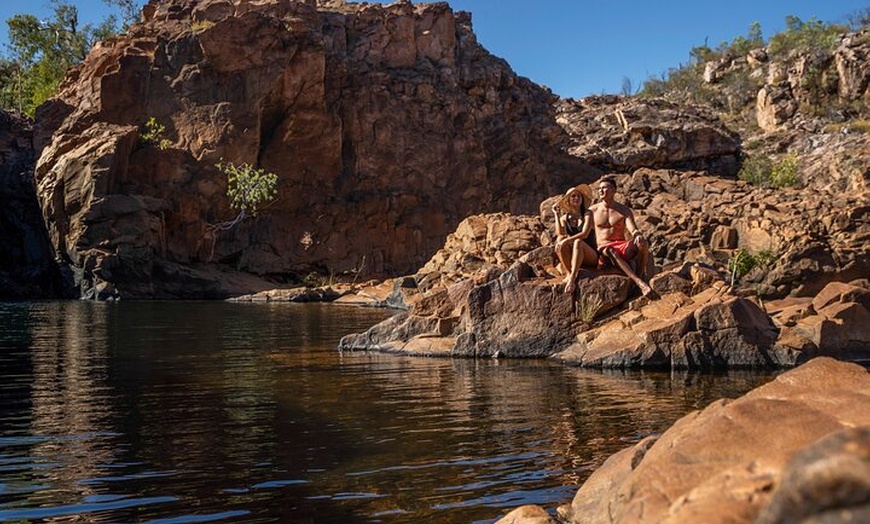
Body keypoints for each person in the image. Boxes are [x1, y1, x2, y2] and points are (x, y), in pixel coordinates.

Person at [589, 176, 655, 297]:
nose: (601, 191)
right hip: (604, 248)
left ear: (614, 190)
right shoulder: (592, 210)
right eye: (599, 188)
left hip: (621, 245)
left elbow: (632, 228)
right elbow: (582, 229)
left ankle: (640, 275)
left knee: (643, 243)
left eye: (605, 188)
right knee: (610, 250)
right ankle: (639, 283)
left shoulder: (623, 210)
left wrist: (637, 234)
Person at [551, 184, 597, 294]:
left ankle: (572, 277)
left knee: (577, 241)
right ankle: (568, 271)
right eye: (573, 196)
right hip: (575, 254)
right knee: (559, 239)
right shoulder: (565, 218)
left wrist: (567, 240)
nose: (576, 198)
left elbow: (585, 234)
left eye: (578, 196)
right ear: (568, 200)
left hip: (590, 255)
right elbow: (560, 233)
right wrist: (556, 215)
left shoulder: (587, 213)